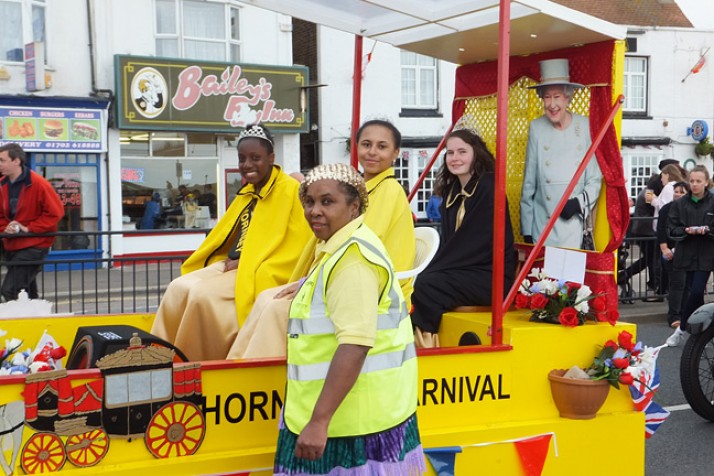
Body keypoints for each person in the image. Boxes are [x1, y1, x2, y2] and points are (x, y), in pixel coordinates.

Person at [273, 163, 424, 475]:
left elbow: (354, 345)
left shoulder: (352, 260)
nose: (314, 211)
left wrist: (319, 422)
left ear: (354, 207)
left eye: (327, 202)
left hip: (350, 424)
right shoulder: (338, 248)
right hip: (349, 415)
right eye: (309, 202)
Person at [227, 119, 415, 360]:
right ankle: (235, 364)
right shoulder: (361, 187)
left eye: (382, 146)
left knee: (276, 308)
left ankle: (255, 374)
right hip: (342, 272)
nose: (372, 152)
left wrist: (310, 281)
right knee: (266, 297)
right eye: (366, 144)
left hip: (367, 283)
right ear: (356, 147)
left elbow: (361, 244)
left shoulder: (389, 190)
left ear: (395, 153)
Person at [150, 125, 312, 360]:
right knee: (178, 288)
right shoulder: (246, 192)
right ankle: (157, 356)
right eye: (242, 158)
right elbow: (229, 235)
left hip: (258, 269)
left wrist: (248, 262)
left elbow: (299, 245)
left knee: (202, 297)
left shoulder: (291, 190)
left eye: (255, 158)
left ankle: (191, 364)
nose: (247, 164)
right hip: (233, 263)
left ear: (271, 158)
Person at [410, 120, 516, 347]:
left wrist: (436, 266)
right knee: (417, 280)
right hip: (462, 268)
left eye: (462, 152)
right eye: (450, 153)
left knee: (427, 283)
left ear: (475, 154)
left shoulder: (488, 187)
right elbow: (452, 241)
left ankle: (423, 345)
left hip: (489, 273)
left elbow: (475, 242)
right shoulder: (451, 191)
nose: (454, 158)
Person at [520, 58, 602, 248]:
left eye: (557, 96)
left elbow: (594, 179)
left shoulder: (585, 125)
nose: (551, 104)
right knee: (542, 277)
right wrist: (527, 230)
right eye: (547, 97)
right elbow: (529, 184)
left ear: (568, 97)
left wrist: (578, 204)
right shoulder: (536, 127)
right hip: (543, 226)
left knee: (570, 278)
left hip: (572, 226)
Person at [0, 143, 64, 301]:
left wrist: (28, 228)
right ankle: (36, 322)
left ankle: (15, 325)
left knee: (9, 291)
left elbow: (56, 213)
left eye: (2, 160)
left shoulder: (39, 183)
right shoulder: (2, 184)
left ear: (16, 161)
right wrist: (5, 228)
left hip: (34, 246)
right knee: (27, 293)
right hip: (13, 244)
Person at [665, 166, 714, 347]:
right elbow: (671, 229)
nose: (694, 184)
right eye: (692, 181)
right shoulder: (680, 204)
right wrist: (686, 230)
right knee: (696, 297)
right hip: (686, 254)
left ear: (706, 182)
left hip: (707, 255)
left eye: (698, 181)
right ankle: (701, 335)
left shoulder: (712, 201)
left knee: (695, 291)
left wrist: (707, 230)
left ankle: (681, 329)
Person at [657, 181, 689, 328]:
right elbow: (661, 230)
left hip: (688, 251)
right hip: (671, 251)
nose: (677, 194)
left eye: (681, 192)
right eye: (676, 191)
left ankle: (685, 314)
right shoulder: (666, 209)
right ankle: (674, 316)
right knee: (677, 283)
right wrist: (664, 248)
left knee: (688, 284)